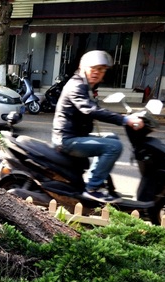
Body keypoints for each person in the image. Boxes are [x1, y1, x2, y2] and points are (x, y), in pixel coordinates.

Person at [52, 50, 144, 203]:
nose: (97, 72)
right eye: (93, 68)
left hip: (76, 136)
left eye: (101, 70)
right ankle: (93, 188)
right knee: (113, 147)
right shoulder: (77, 85)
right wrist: (124, 119)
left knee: (112, 137)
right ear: (83, 67)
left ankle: (95, 178)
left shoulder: (87, 86)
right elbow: (90, 110)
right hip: (67, 140)